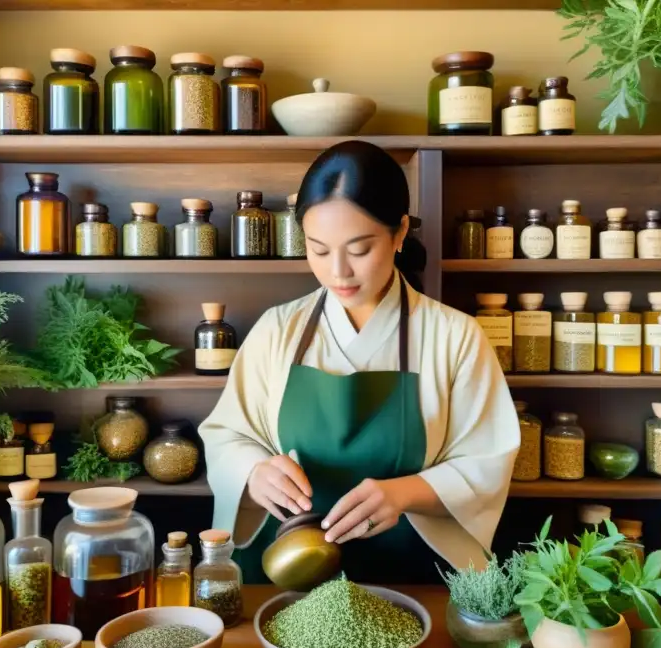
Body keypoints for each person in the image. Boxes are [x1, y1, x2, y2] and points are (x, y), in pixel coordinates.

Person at [198, 140, 518, 583]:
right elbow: (227, 435)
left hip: (412, 574)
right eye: (319, 249)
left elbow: (487, 459)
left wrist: (403, 493)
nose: (338, 272)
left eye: (360, 249)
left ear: (400, 232)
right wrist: (253, 472)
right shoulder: (277, 330)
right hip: (289, 568)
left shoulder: (455, 336)